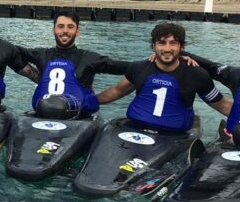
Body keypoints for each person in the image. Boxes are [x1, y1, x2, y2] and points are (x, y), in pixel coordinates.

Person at [97, 22, 232, 131]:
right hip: (135, 128)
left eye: (173, 43)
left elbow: (222, 105)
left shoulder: (196, 74)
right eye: (162, 42)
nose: (167, 49)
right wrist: (89, 102)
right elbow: (117, 91)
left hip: (174, 137)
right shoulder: (138, 68)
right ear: (153, 45)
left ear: (181, 46)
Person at [19, 11, 129, 119]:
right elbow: (13, 52)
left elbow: (127, 68)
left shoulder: (90, 58)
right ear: (53, 30)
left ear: (77, 31)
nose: (65, 31)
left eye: (70, 27)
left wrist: (96, 99)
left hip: (79, 118)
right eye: (60, 26)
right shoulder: (41, 54)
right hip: (45, 113)